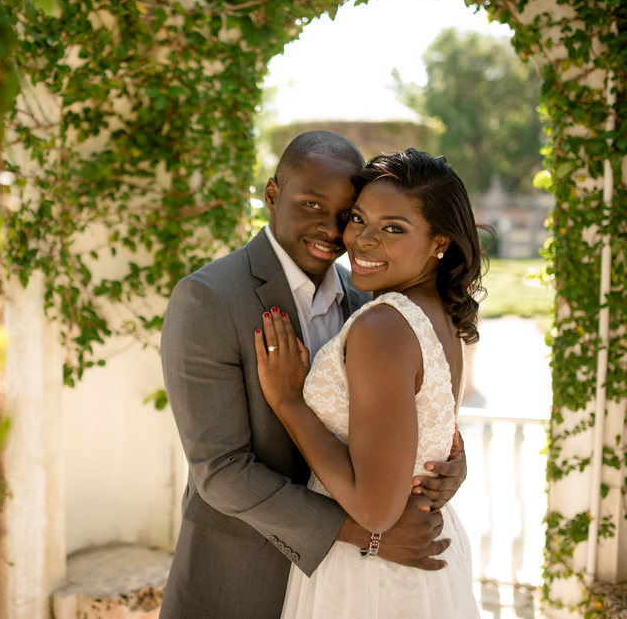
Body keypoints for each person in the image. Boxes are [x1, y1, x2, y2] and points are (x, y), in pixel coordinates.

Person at [160, 133, 468, 619]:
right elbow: (219, 472)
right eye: (311, 204)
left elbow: (403, 408)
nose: (333, 229)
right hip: (243, 575)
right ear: (272, 194)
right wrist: (370, 535)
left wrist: (447, 465)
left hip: (347, 587)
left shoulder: (372, 296)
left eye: (347, 213)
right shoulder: (208, 299)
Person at [254, 148, 487, 618]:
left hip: (371, 573)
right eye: (358, 219)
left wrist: (288, 403)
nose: (363, 240)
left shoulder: (383, 328)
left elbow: (376, 512)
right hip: (427, 560)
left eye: (394, 229)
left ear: (440, 242)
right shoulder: (440, 313)